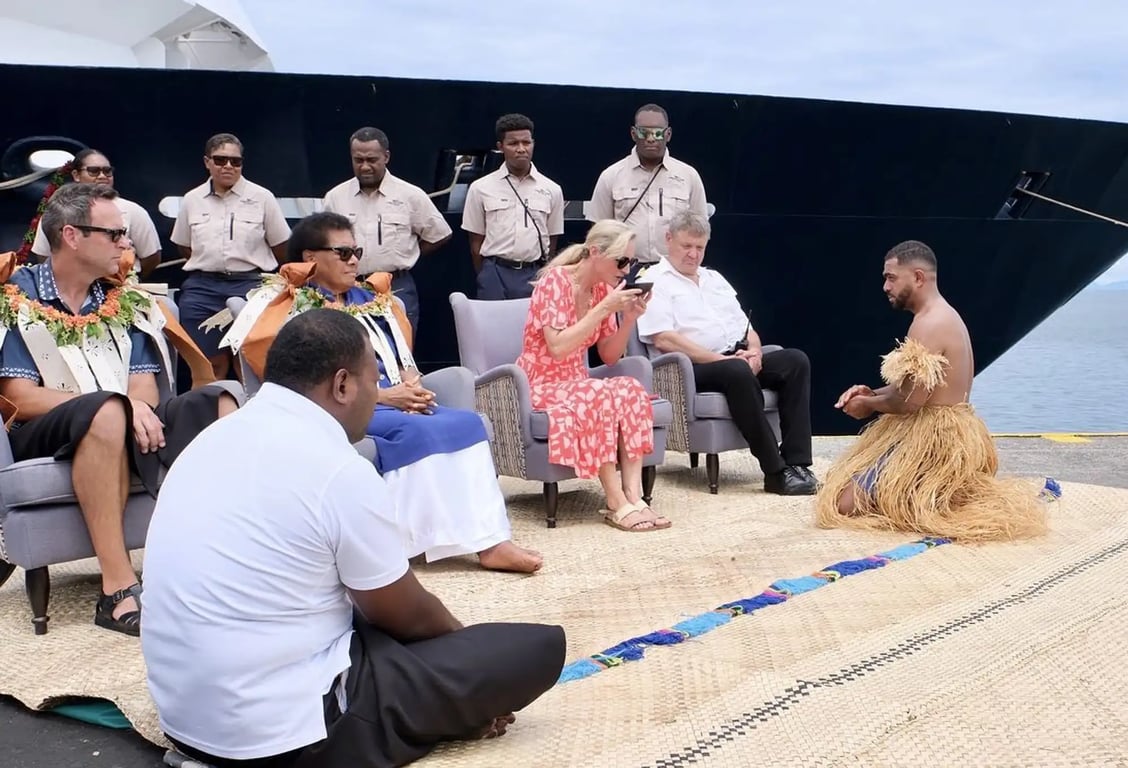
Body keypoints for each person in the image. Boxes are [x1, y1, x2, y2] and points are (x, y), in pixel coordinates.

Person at [142, 309, 566, 767]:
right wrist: (459, 652)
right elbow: (403, 613)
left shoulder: (212, 439)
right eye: (373, 379)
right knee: (533, 649)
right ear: (343, 385)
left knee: (374, 628)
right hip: (281, 736)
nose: (377, 394)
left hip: (186, 721)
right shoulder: (338, 468)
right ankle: (455, 708)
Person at [218, 212, 541, 573]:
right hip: (339, 408)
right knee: (415, 430)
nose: (354, 259)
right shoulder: (291, 308)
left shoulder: (371, 299)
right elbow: (307, 381)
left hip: (392, 400)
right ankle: (402, 545)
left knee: (467, 423)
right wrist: (384, 397)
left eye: (355, 250)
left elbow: (400, 356)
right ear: (310, 258)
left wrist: (412, 385)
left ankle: (490, 541)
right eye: (342, 253)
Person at [0, 183, 241, 635]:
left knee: (221, 401)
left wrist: (132, 408)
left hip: (124, 418)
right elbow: (20, 398)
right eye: (115, 235)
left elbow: (143, 387)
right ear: (72, 236)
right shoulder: (15, 295)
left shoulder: (120, 298)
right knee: (107, 410)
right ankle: (116, 591)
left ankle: (226, 564)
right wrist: (119, 408)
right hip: (44, 429)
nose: (127, 245)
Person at [815, 240, 1049, 542]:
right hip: (956, 430)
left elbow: (911, 402)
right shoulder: (944, 315)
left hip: (937, 439)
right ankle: (927, 493)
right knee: (849, 487)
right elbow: (918, 388)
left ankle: (926, 495)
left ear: (918, 277)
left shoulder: (928, 324)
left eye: (890, 277)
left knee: (842, 505)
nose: (885, 286)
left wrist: (868, 406)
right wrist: (870, 392)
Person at [636, 211, 816, 495]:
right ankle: (775, 470)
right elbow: (664, 339)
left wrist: (754, 353)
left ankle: (799, 464)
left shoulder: (714, 278)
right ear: (668, 239)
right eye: (687, 246)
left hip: (735, 358)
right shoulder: (655, 280)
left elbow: (747, 328)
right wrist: (726, 361)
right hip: (692, 367)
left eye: (700, 247)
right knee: (735, 370)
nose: (694, 254)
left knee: (795, 360)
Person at [517, 219, 668, 531]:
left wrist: (628, 318)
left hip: (575, 382)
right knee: (596, 393)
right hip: (539, 383)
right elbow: (557, 347)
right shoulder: (556, 282)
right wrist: (604, 308)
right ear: (596, 253)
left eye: (631, 261)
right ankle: (614, 501)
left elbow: (610, 356)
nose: (626, 269)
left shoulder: (602, 291)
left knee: (628, 387)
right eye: (621, 261)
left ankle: (634, 495)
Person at [171, 132, 291, 382]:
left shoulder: (262, 198)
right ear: (207, 162)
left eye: (235, 161)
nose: (228, 166)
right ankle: (206, 418)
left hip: (251, 287)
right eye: (220, 160)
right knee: (208, 366)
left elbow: (282, 247)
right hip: (203, 289)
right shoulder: (192, 200)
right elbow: (184, 246)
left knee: (248, 363)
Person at [322, 127, 453, 333]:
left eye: (372, 160)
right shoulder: (335, 198)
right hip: (350, 287)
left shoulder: (410, 195)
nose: (365, 167)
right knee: (351, 352)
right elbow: (325, 245)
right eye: (358, 160)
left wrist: (410, 254)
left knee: (401, 355)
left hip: (397, 287)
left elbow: (439, 234)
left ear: (386, 157)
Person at [587, 103, 708, 265]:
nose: (650, 138)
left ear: (668, 134)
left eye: (658, 133)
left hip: (674, 269)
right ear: (633, 133)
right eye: (644, 132)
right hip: (625, 269)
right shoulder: (611, 175)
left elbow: (701, 231)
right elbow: (599, 232)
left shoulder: (688, 175)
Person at [461, 113, 565, 299]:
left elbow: (552, 239)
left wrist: (544, 274)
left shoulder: (552, 189)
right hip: (494, 271)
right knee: (493, 326)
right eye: (513, 144)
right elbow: (475, 241)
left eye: (526, 143)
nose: (521, 149)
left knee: (531, 327)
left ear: (533, 143)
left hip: (534, 272)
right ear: (501, 147)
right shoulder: (480, 188)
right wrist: (486, 275)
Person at [30, 148, 164, 277]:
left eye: (107, 171)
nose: (102, 176)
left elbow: (151, 257)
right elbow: (44, 255)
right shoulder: (57, 210)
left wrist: (123, 277)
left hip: (119, 286)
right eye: (93, 171)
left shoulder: (134, 210)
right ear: (76, 175)